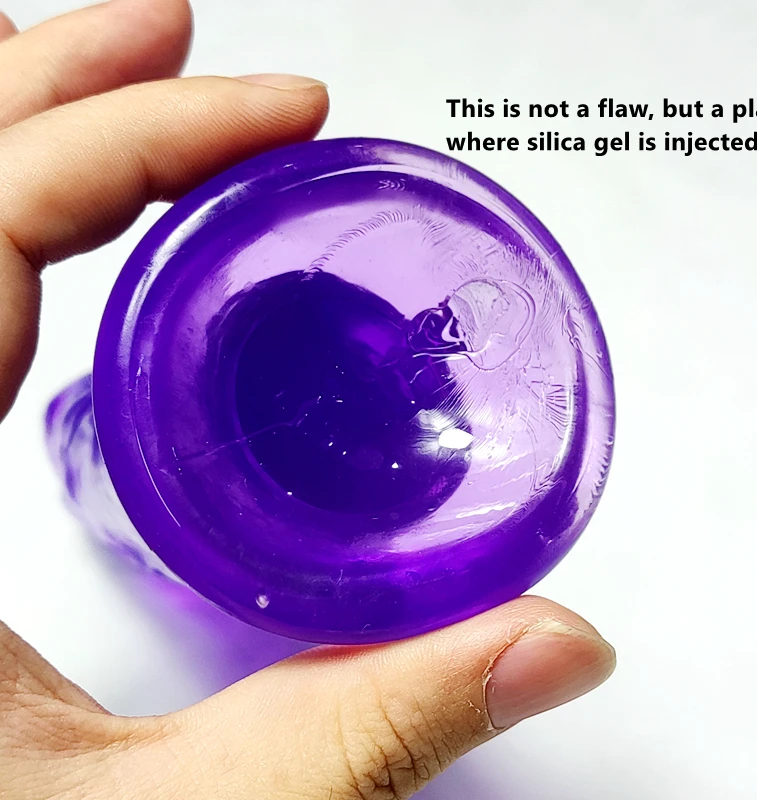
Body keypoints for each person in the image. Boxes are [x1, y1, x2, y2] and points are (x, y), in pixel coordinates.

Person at [0, 2, 616, 797]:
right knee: (94, 462)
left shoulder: (423, 451)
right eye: (450, 314)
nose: (437, 325)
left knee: (104, 478)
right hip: (141, 463)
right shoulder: (300, 331)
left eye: (462, 330)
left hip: (206, 522)